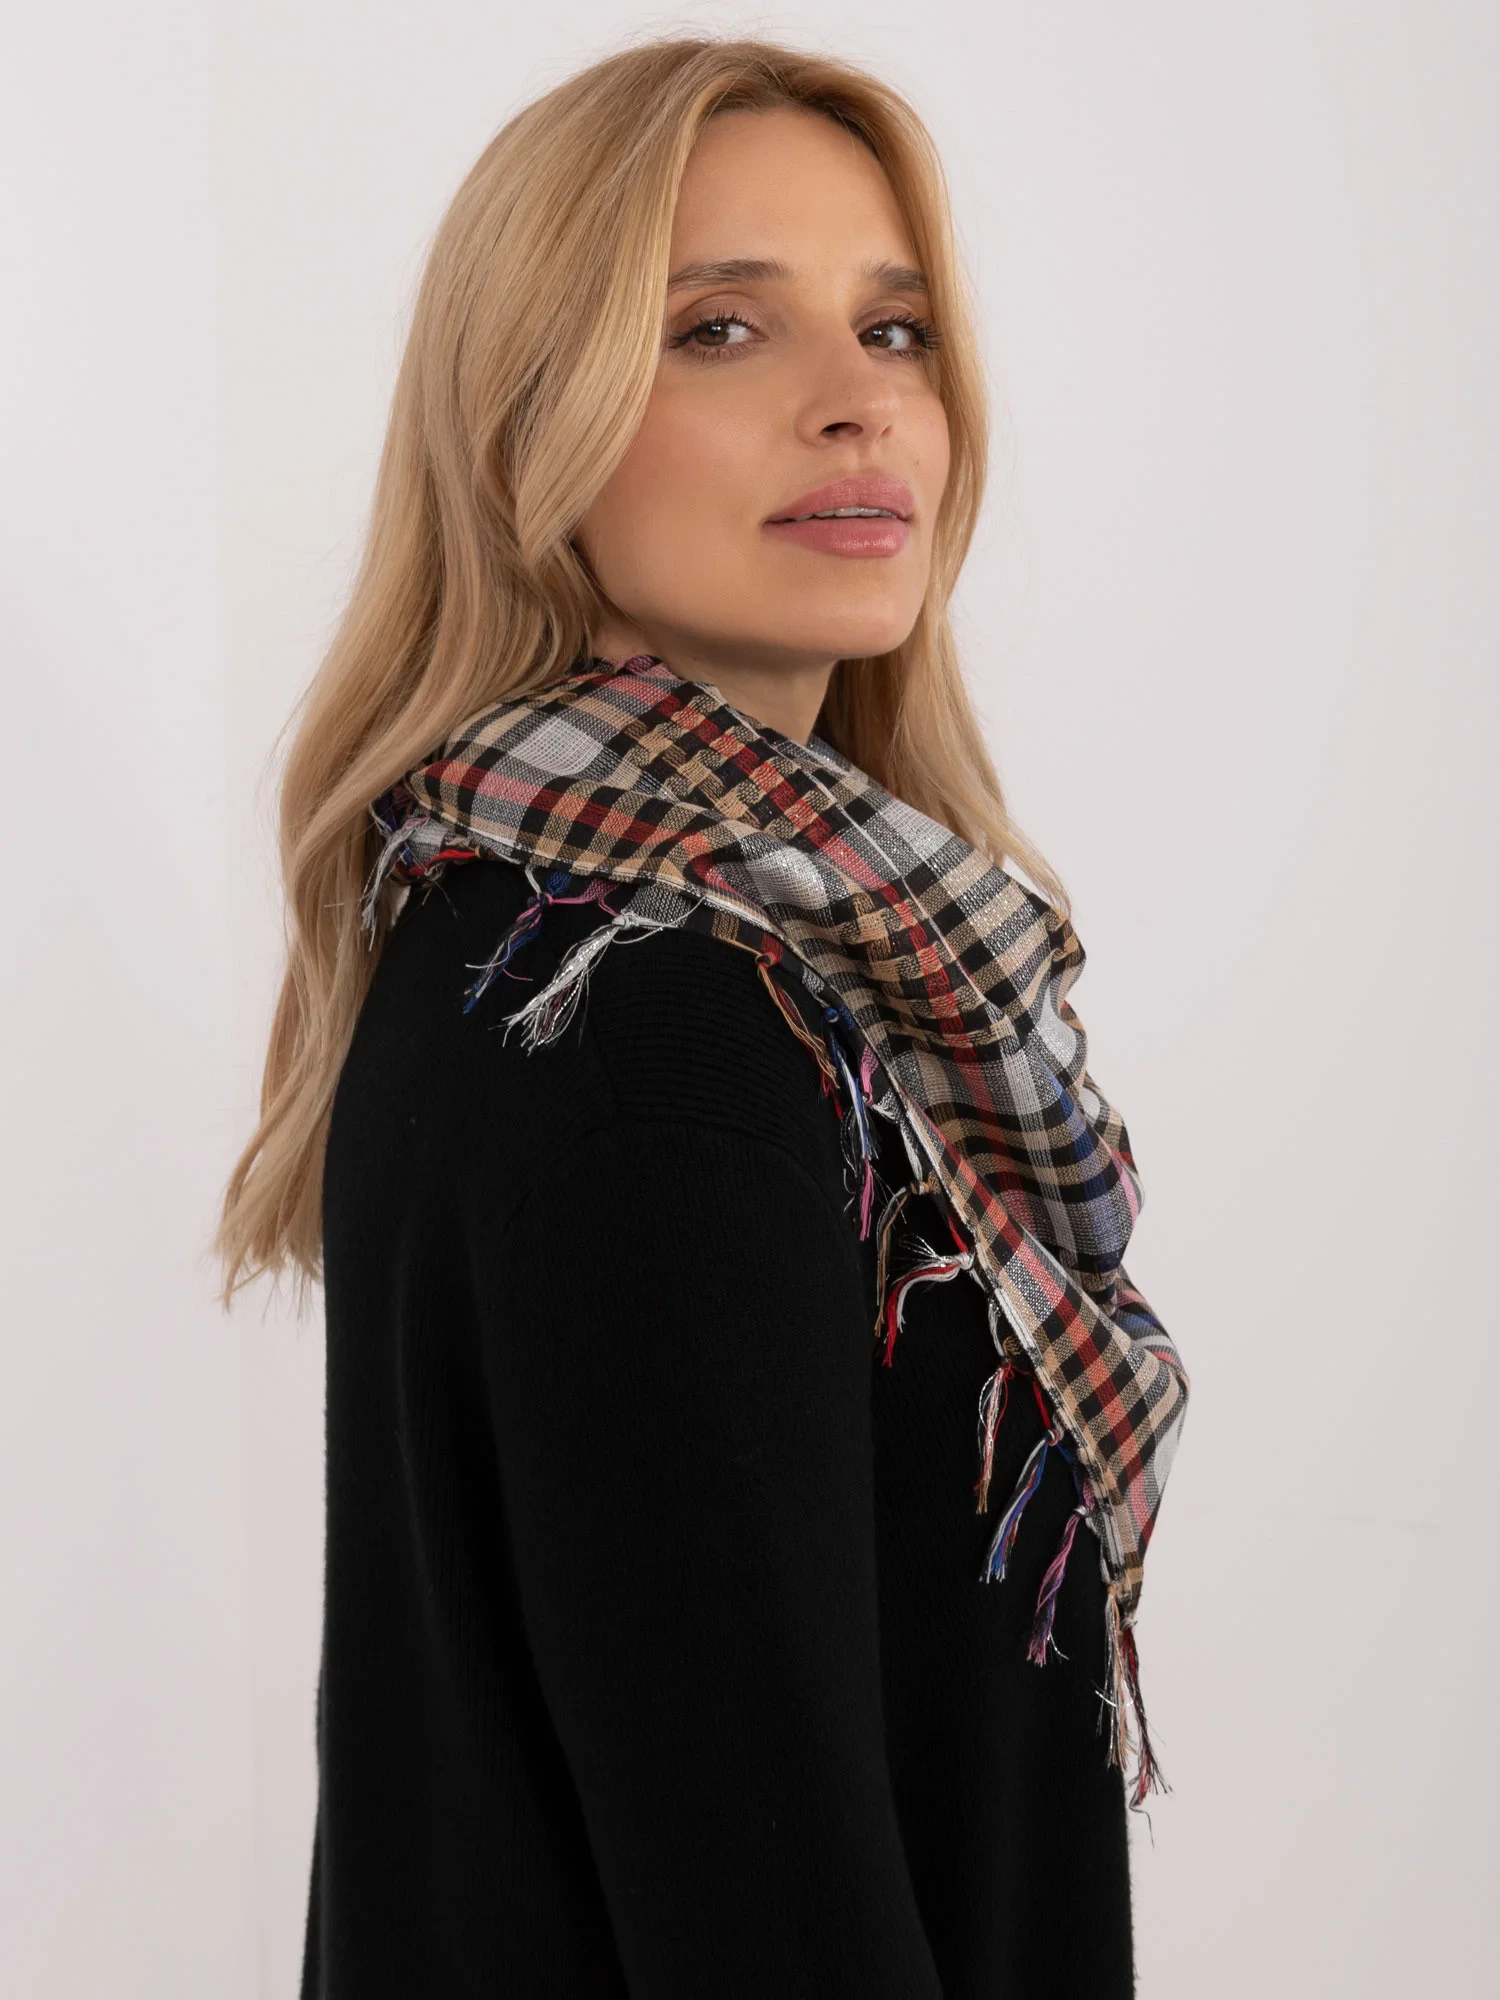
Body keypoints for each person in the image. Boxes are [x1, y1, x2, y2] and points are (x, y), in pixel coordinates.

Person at [216, 33, 1189, 1999]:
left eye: (897, 330)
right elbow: (765, 1904)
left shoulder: (536, 940)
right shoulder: (653, 1022)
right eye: (722, 330)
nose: (857, 403)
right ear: (529, 432)